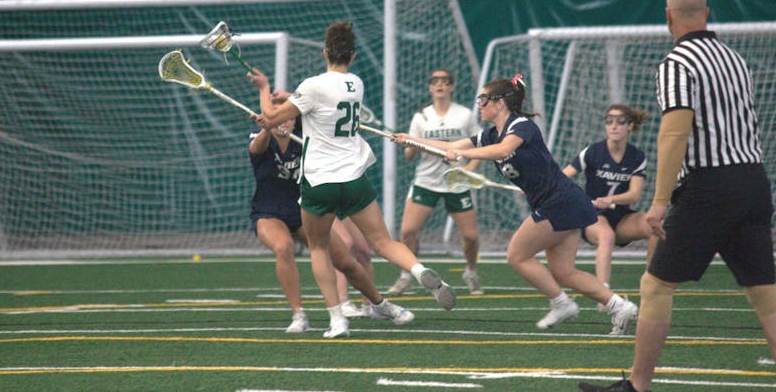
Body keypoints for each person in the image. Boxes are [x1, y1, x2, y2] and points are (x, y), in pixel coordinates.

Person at [578, 0, 776, 392]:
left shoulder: (677, 63)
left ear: (668, 17)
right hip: (753, 180)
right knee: (764, 290)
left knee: (656, 284)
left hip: (709, 186)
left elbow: (674, 134)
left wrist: (660, 201)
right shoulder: (736, 60)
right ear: (707, 13)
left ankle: (638, 385)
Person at [249, 20, 457, 339]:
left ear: (325, 52)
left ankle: (338, 321)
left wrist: (265, 90)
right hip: (354, 177)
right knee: (383, 242)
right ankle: (418, 270)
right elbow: (314, 105)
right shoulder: (356, 84)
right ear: (354, 56)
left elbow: (272, 117)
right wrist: (294, 97)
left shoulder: (312, 86)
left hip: (320, 182)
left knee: (319, 248)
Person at [394, 74, 639, 335]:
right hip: (560, 202)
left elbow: (502, 151)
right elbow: (450, 145)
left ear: (499, 103)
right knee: (564, 273)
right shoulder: (490, 134)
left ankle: (561, 303)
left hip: (559, 201)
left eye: (484, 99)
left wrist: (462, 154)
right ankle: (620, 307)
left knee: (517, 255)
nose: (480, 104)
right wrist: (412, 140)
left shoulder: (521, 125)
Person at [248, 117, 414, 333]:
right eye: (278, 118)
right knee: (283, 247)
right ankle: (299, 315)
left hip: (303, 210)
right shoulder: (260, 139)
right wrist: (267, 127)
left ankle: (380, 304)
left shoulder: (307, 140)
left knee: (345, 261)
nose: (284, 123)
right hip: (269, 212)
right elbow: (256, 148)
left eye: (288, 118)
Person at [386, 68, 485, 297]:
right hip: (426, 181)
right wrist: (408, 145)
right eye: (435, 81)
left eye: (445, 81)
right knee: (407, 232)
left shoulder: (465, 115)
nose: (440, 85)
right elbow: (409, 156)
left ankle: (471, 272)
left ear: (451, 87)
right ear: (430, 87)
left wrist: (469, 169)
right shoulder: (421, 117)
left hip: (456, 182)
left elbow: (479, 144)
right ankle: (405, 277)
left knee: (470, 236)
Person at [563, 104, 653, 296]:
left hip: (621, 218)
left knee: (654, 226)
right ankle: (604, 292)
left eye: (620, 122)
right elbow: (563, 177)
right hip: (594, 216)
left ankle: (653, 281)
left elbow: (634, 194)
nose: (614, 126)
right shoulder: (593, 152)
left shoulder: (637, 156)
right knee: (606, 236)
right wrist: (536, 185)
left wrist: (610, 199)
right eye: (609, 121)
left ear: (630, 126)